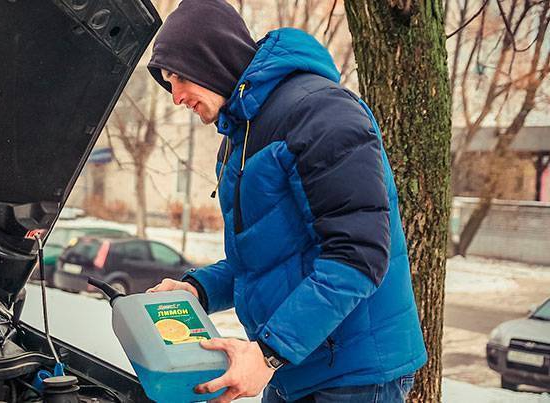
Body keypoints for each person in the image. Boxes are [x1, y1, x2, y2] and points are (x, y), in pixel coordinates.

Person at [144, 1, 427, 402]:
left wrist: (269, 354)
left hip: (355, 375)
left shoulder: (321, 113)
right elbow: (265, 259)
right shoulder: (241, 137)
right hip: (295, 363)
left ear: (210, 60)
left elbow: (358, 257)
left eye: (178, 78)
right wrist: (198, 290)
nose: (175, 97)